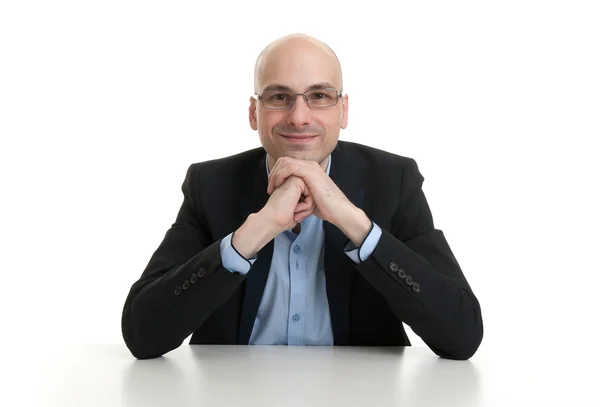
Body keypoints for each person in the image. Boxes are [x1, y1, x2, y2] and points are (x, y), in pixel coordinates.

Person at [121, 33, 483, 360]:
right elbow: (142, 335)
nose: (298, 117)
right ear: (254, 113)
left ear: (343, 111)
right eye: (279, 96)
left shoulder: (393, 181)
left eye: (319, 96)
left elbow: (462, 336)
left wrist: (354, 223)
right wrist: (254, 232)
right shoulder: (210, 184)